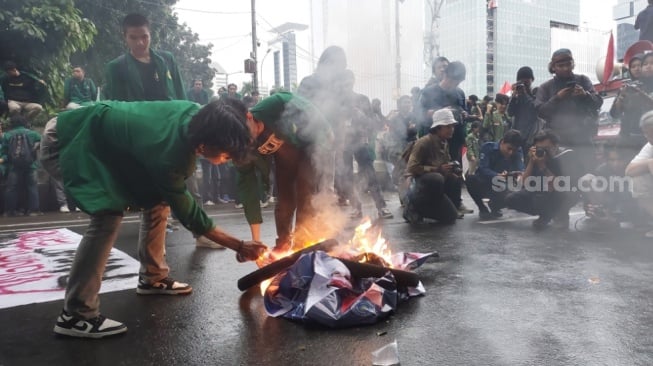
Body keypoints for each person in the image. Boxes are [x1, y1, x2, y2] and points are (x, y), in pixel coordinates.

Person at [39, 98, 268, 338]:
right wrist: (239, 245)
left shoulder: (196, 114)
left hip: (101, 141)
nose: (226, 159)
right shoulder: (171, 154)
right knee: (107, 215)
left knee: (159, 200)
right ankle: (76, 314)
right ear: (203, 144)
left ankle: (152, 278)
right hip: (69, 140)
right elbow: (190, 215)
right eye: (225, 154)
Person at [236, 91, 331, 251]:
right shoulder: (243, 145)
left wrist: (325, 129)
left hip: (308, 151)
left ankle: (301, 247)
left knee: (305, 197)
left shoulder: (271, 105)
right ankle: (283, 245)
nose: (248, 139)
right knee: (285, 204)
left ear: (249, 117)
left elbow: (300, 103)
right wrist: (256, 241)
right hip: (284, 162)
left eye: (247, 132)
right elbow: (248, 190)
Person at [535, 48, 603, 171]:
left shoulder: (583, 80)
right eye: (561, 65)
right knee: (560, 177)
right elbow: (540, 111)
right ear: (553, 67)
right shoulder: (546, 87)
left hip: (583, 139)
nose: (566, 68)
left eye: (568, 64)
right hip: (557, 140)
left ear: (573, 64)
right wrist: (557, 98)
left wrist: (585, 95)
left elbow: (598, 102)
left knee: (589, 174)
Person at [504, 130, 581, 229]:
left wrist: (542, 166)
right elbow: (522, 183)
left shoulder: (566, 156)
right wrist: (532, 161)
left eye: (546, 148)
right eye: (539, 148)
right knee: (511, 198)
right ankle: (546, 214)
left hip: (563, 192)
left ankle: (559, 215)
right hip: (541, 191)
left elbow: (558, 185)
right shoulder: (537, 156)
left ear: (556, 146)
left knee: (562, 193)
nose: (543, 151)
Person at [402, 108, 464, 224]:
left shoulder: (444, 143)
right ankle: (412, 208)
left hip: (436, 188)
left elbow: (446, 163)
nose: (452, 130)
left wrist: (451, 170)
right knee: (436, 177)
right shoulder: (423, 142)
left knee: (451, 216)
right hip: (420, 184)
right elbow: (412, 167)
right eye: (448, 127)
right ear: (438, 128)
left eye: (452, 126)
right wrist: (437, 169)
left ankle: (429, 209)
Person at [103, 13, 186, 101]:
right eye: (133, 38)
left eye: (144, 37)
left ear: (150, 35)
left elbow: (181, 94)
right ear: (124, 37)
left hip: (172, 114)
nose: (140, 43)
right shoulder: (116, 67)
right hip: (137, 115)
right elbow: (117, 107)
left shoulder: (167, 59)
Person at [466, 130, 524, 220]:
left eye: (514, 150)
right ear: (502, 142)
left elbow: (520, 169)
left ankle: (496, 206)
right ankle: (482, 208)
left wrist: (519, 177)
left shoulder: (518, 151)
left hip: (502, 186)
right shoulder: (488, 147)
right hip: (485, 182)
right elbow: (483, 169)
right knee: (470, 179)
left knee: (517, 192)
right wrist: (497, 175)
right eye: (509, 148)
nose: (511, 152)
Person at [610, 53, 651, 159]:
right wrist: (621, 97)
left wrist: (642, 96)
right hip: (627, 136)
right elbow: (614, 114)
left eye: (639, 65)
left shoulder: (649, 86)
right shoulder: (626, 88)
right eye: (633, 66)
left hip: (647, 136)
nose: (637, 69)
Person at [1, 115, 41, 216]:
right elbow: (41, 143)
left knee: (12, 188)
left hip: (13, 166)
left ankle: (10, 211)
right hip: (30, 165)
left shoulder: (7, 135)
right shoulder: (33, 134)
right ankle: (33, 210)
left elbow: (4, 152)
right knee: (32, 187)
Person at [625, 110, 653, 238]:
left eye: (650, 133)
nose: (648, 137)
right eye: (646, 133)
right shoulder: (649, 146)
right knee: (638, 179)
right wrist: (648, 163)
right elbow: (629, 170)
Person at [508, 66, 541, 158]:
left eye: (527, 81)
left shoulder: (536, 92)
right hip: (518, 135)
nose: (524, 84)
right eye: (521, 81)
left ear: (532, 79)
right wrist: (514, 97)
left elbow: (534, 108)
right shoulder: (517, 95)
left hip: (532, 135)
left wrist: (525, 94)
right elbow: (510, 112)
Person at [385, 95, 418, 185]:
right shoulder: (394, 119)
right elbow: (395, 134)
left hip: (412, 144)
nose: (407, 104)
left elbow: (415, 131)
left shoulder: (414, 117)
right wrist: (408, 130)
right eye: (405, 102)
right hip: (398, 145)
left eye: (409, 102)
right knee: (401, 166)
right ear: (399, 104)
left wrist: (409, 131)